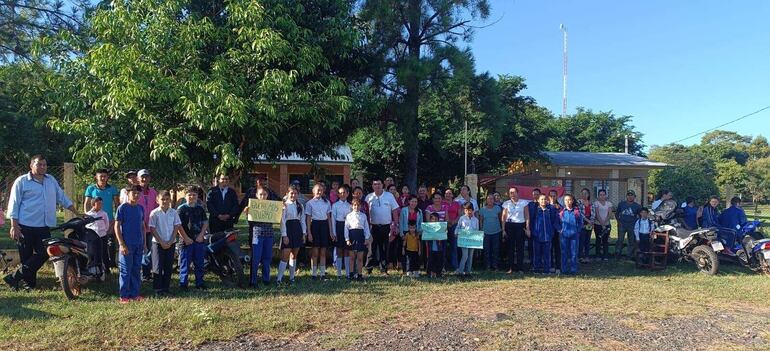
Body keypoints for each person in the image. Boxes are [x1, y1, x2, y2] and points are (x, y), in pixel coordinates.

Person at [4, 155, 80, 291]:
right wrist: (14, 226)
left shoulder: (51, 180)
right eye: (39, 165)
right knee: (26, 256)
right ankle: (29, 285)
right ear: (31, 165)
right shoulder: (21, 181)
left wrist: (77, 213)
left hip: (43, 226)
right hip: (24, 226)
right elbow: (14, 205)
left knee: (44, 253)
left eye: (45, 165)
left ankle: (14, 277)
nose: (43, 167)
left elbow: (62, 198)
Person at [115, 185, 146, 303]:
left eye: (138, 193)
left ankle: (135, 294)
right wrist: (121, 244)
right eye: (134, 193)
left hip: (138, 244)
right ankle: (124, 295)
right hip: (127, 244)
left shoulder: (140, 208)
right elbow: (117, 226)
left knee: (136, 269)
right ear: (128, 194)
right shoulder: (122, 208)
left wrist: (143, 243)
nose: (136, 195)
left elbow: (142, 226)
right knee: (126, 270)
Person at [149, 191, 182, 296]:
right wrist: (161, 241)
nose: (165, 201)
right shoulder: (154, 213)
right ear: (157, 200)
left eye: (167, 199)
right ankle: (158, 289)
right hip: (158, 243)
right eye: (162, 199)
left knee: (168, 266)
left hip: (171, 243)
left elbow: (176, 226)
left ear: (170, 200)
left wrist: (172, 239)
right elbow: (152, 229)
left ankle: (166, 288)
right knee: (158, 266)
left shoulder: (174, 212)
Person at [364, 178, 400, 275]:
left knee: (384, 248)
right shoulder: (368, 197)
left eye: (379, 184)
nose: (377, 186)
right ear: (372, 186)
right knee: (371, 249)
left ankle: (383, 269)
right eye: (375, 184)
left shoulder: (389, 196)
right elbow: (365, 212)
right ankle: (368, 269)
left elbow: (395, 211)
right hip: (373, 226)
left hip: (386, 226)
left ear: (382, 185)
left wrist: (396, 225)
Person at [177, 186, 209, 291]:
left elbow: (205, 223)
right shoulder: (181, 209)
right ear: (185, 196)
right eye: (189, 195)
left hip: (198, 239)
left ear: (197, 196)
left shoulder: (200, 208)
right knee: (185, 263)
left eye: (194, 195)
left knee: (199, 262)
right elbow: (178, 226)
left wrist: (201, 235)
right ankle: (183, 284)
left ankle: (200, 282)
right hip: (186, 240)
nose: (192, 197)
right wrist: (185, 238)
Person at [276, 187, 307, 285]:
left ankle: (292, 278)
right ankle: (279, 279)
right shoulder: (284, 205)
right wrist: (284, 235)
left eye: (295, 193)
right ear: (287, 193)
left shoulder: (300, 206)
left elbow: (302, 220)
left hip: (297, 231)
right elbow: (282, 221)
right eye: (291, 193)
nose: (293, 195)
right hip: (288, 230)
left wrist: (304, 233)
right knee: (285, 255)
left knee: (294, 255)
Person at [249, 188, 276, 287]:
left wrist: (282, 208)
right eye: (260, 194)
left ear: (267, 195)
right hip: (257, 234)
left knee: (267, 257)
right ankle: (253, 280)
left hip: (269, 234)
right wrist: (247, 211)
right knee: (256, 258)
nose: (262, 196)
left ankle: (266, 279)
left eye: (264, 194)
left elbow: (278, 215)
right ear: (256, 195)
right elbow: (250, 219)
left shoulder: (272, 206)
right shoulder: (253, 206)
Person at [306, 184, 333, 280]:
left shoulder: (327, 202)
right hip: (315, 226)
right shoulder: (309, 203)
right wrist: (309, 232)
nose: (319, 192)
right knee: (315, 252)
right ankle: (314, 273)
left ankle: (322, 273)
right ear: (313, 191)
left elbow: (329, 218)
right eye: (317, 190)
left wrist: (331, 231)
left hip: (324, 227)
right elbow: (308, 218)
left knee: (323, 252)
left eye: (321, 190)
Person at [136, 169, 158, 281]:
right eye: (142, 177)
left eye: (146, 177)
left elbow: (156, 207)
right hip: (138, 227)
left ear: (149, 178)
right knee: (139, 250)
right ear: (138, 179)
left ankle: (146, 273)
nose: (144, 179)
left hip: (150, 227)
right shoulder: (134, 191)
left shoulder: (153, 192)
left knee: (149, 250)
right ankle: (138, 273)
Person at [532, 194, 561, 274]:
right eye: (541, 199)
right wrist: (534, 232)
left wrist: (553, 231)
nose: (543, 201)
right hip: (537, 236)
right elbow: (531, 221)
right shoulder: (535, 210)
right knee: (537, 254)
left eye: (545, 199)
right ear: (538, 200)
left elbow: (555, 221)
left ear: (547, 200)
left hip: (548, 236)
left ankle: (546, 270)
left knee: (547, 254)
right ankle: (536, 269)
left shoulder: (551, 209)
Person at [501, 187, 528, 273]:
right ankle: (511, 268)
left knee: (520, 248)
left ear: (517, 193)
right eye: (510, 192)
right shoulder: (506, 203)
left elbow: (527, 216)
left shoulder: (524, 203)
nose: (512, 194)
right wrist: (503, 229)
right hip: (509, 226)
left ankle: (520, 268)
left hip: (520, 226)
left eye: (513, 192)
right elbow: (504, 217)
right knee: (510, 248)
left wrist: (527, 228)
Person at [345, 198, 372, 281]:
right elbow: (346, 228)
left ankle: (360, 274)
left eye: (358, 205)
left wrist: (367, 238)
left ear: (361, 206)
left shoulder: (363, 216)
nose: (356, 207)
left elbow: (366, 228)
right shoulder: (349, 216)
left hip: (360, 236)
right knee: (352, 257)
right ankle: (351, 274)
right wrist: (347, 239)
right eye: (355, 205)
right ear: (352, 206)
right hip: (352, 235)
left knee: (360, 258)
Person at [331, 185, 353, 279]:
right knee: (339, 251)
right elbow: (333, 219)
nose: (342, 194)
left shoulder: (350, 205)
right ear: (338, 194)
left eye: (344, 192)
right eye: (340, 193)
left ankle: (348, 273)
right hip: (339, 227)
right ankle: (339, 274)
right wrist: (334, 233)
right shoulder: (335, 205)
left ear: (348, 194)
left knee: (347, 251)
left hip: (347, 228)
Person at [85, 197, 110, 274]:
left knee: (104, 253)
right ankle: (93, 270)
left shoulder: (104, 214)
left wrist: (103, 231)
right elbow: (86, 225)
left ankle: (106, 270)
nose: (100, 205)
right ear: (93, 204)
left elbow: (107, 224)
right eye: (98, 203)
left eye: (101, 204)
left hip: (102, 236)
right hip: (92, 238)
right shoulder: (88, 214)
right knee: (92, 253)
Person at [398, 195, 423, 273]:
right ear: (409, 202)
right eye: (412, 201)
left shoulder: (419, 211)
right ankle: (406, 269)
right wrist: (401, 233)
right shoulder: (404, 210)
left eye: (415, 201)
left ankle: (415, 269)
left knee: (415, 252)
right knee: (405, 251)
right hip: (406, 232)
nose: (414, 203)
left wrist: (419, 232)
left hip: (416, 233)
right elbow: (401, 222)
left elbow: (421, 223)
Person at [559, 194, 582, 275]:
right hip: (564, 236)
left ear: (572, 201)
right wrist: (560, 230)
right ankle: (564, 269)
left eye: (569, 200)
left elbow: (580, 222)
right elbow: (556, 222)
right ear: (564, 201)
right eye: (566, 200)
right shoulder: (561, 212)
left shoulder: (576, 212)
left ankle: (573, 269)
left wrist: (577, 231)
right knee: (564, 252)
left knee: (574, 253)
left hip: (574, 236)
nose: (567, 201)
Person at [615, 190, 642, 260]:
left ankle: (629, 255)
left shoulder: (637, 206)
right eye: (628, 195)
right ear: (626, 196)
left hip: (632, 225)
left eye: (631, 195)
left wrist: (637, 224)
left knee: (631, 240)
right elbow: (617, 213)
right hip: (622, 225)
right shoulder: (621, 204)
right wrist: (618, 221)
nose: (630, 196)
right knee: (620, 240)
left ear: (634, 196)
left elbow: (640, 216)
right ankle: (618, 253)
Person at [479, 194, 502, 271]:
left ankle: (495, 266)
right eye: (488, 199)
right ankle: (487, 266)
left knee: (495, 250)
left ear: (494, 200)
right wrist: (481, 230)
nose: (490, 200)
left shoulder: (498, 208)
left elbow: (500, 219)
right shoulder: (482, 209)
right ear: (486, 200)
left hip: (496, 232)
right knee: (486, 250)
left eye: (492, 199)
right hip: (486, 233)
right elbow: (481, 220)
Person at [457, 203, 479, 276]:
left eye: (470, 210)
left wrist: (478, 236)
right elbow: (458, 227)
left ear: (472, 210)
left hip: (472, 240)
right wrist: (456, 233)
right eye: (466, 210)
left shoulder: (476, 220)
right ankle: (460, 271)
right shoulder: (462, 218)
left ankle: (468, 272)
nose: (468, 212)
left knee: (470, 256)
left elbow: (477, 229)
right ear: (464, 210)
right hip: (464, 239)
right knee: (465, 255)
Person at [593, 189, 613, 261]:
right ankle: (598, 255)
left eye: (603, 195)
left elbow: (610, 214)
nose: (602, 196)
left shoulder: (609, 203)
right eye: (600, 195)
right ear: (598, 196)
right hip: (598, 224)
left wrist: (605, 222)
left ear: (606, 195)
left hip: (607, 224)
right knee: (598, 240)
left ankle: (605, 255)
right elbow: (597, 214)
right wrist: (601, 223)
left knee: (605, 240)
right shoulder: (596, 203)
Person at [444, 188, 461, 271]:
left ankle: (455, 266)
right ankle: (444, 266)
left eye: (449, 193)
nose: (448, 195)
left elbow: (459, 214)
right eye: (446, 193)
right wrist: (447, 222)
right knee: (443, 247)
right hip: (444, 226)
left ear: (452, 195)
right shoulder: (442, 203)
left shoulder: (456, 203)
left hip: (454, 226)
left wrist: (454, 222)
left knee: (454, 247)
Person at [424, 212, 445, 278]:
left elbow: (443, 236)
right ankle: (429, 273)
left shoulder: (441, 227)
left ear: (438, 220)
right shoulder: (427, 228)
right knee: (430, 261)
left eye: (436, 219)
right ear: (430, 220)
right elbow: (425, 237)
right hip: (430, 248)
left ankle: (438, 273)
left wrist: (444, 231)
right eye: (432, 219)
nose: (434, 220)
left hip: (439, 248)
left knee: (439, 261)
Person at [577, 188, 595, 263]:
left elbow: (593, 213)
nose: (584, 195)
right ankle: (580, 257)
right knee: (581, 240)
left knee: (587, 240)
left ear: (588, 195)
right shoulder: (578, 202)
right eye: (583, 193)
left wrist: (591, 221)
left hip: (590, 222)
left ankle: (587, 256)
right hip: (582, 222)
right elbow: (579, 213)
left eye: (586, 193)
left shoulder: (591, 203)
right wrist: (587, 221)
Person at [526, 188, 542, 267]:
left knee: (540, 247)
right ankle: (532, 262)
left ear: (540, 195)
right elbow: (527, 217)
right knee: (531, 246)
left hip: (541, 230)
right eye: (534, 194)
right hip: (531, 228)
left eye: (537, 194)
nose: (535, 196)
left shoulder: (543, 204)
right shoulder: (529, 205)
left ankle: (539, 263)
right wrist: (527, 228)